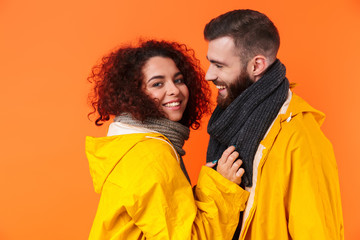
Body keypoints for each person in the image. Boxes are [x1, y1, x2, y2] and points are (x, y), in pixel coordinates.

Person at [86, 40, 250, 239]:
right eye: (157, 84)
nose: (174, 90)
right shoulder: (151, 156)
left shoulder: (131, 146)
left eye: (179, 80)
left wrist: (206, 189)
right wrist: (222, 188)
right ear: (133, 94)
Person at [203, 9, 344, 240]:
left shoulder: (301, 139)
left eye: (219, 65)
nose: (209, 75)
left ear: (257, 65)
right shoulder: (229, 121)